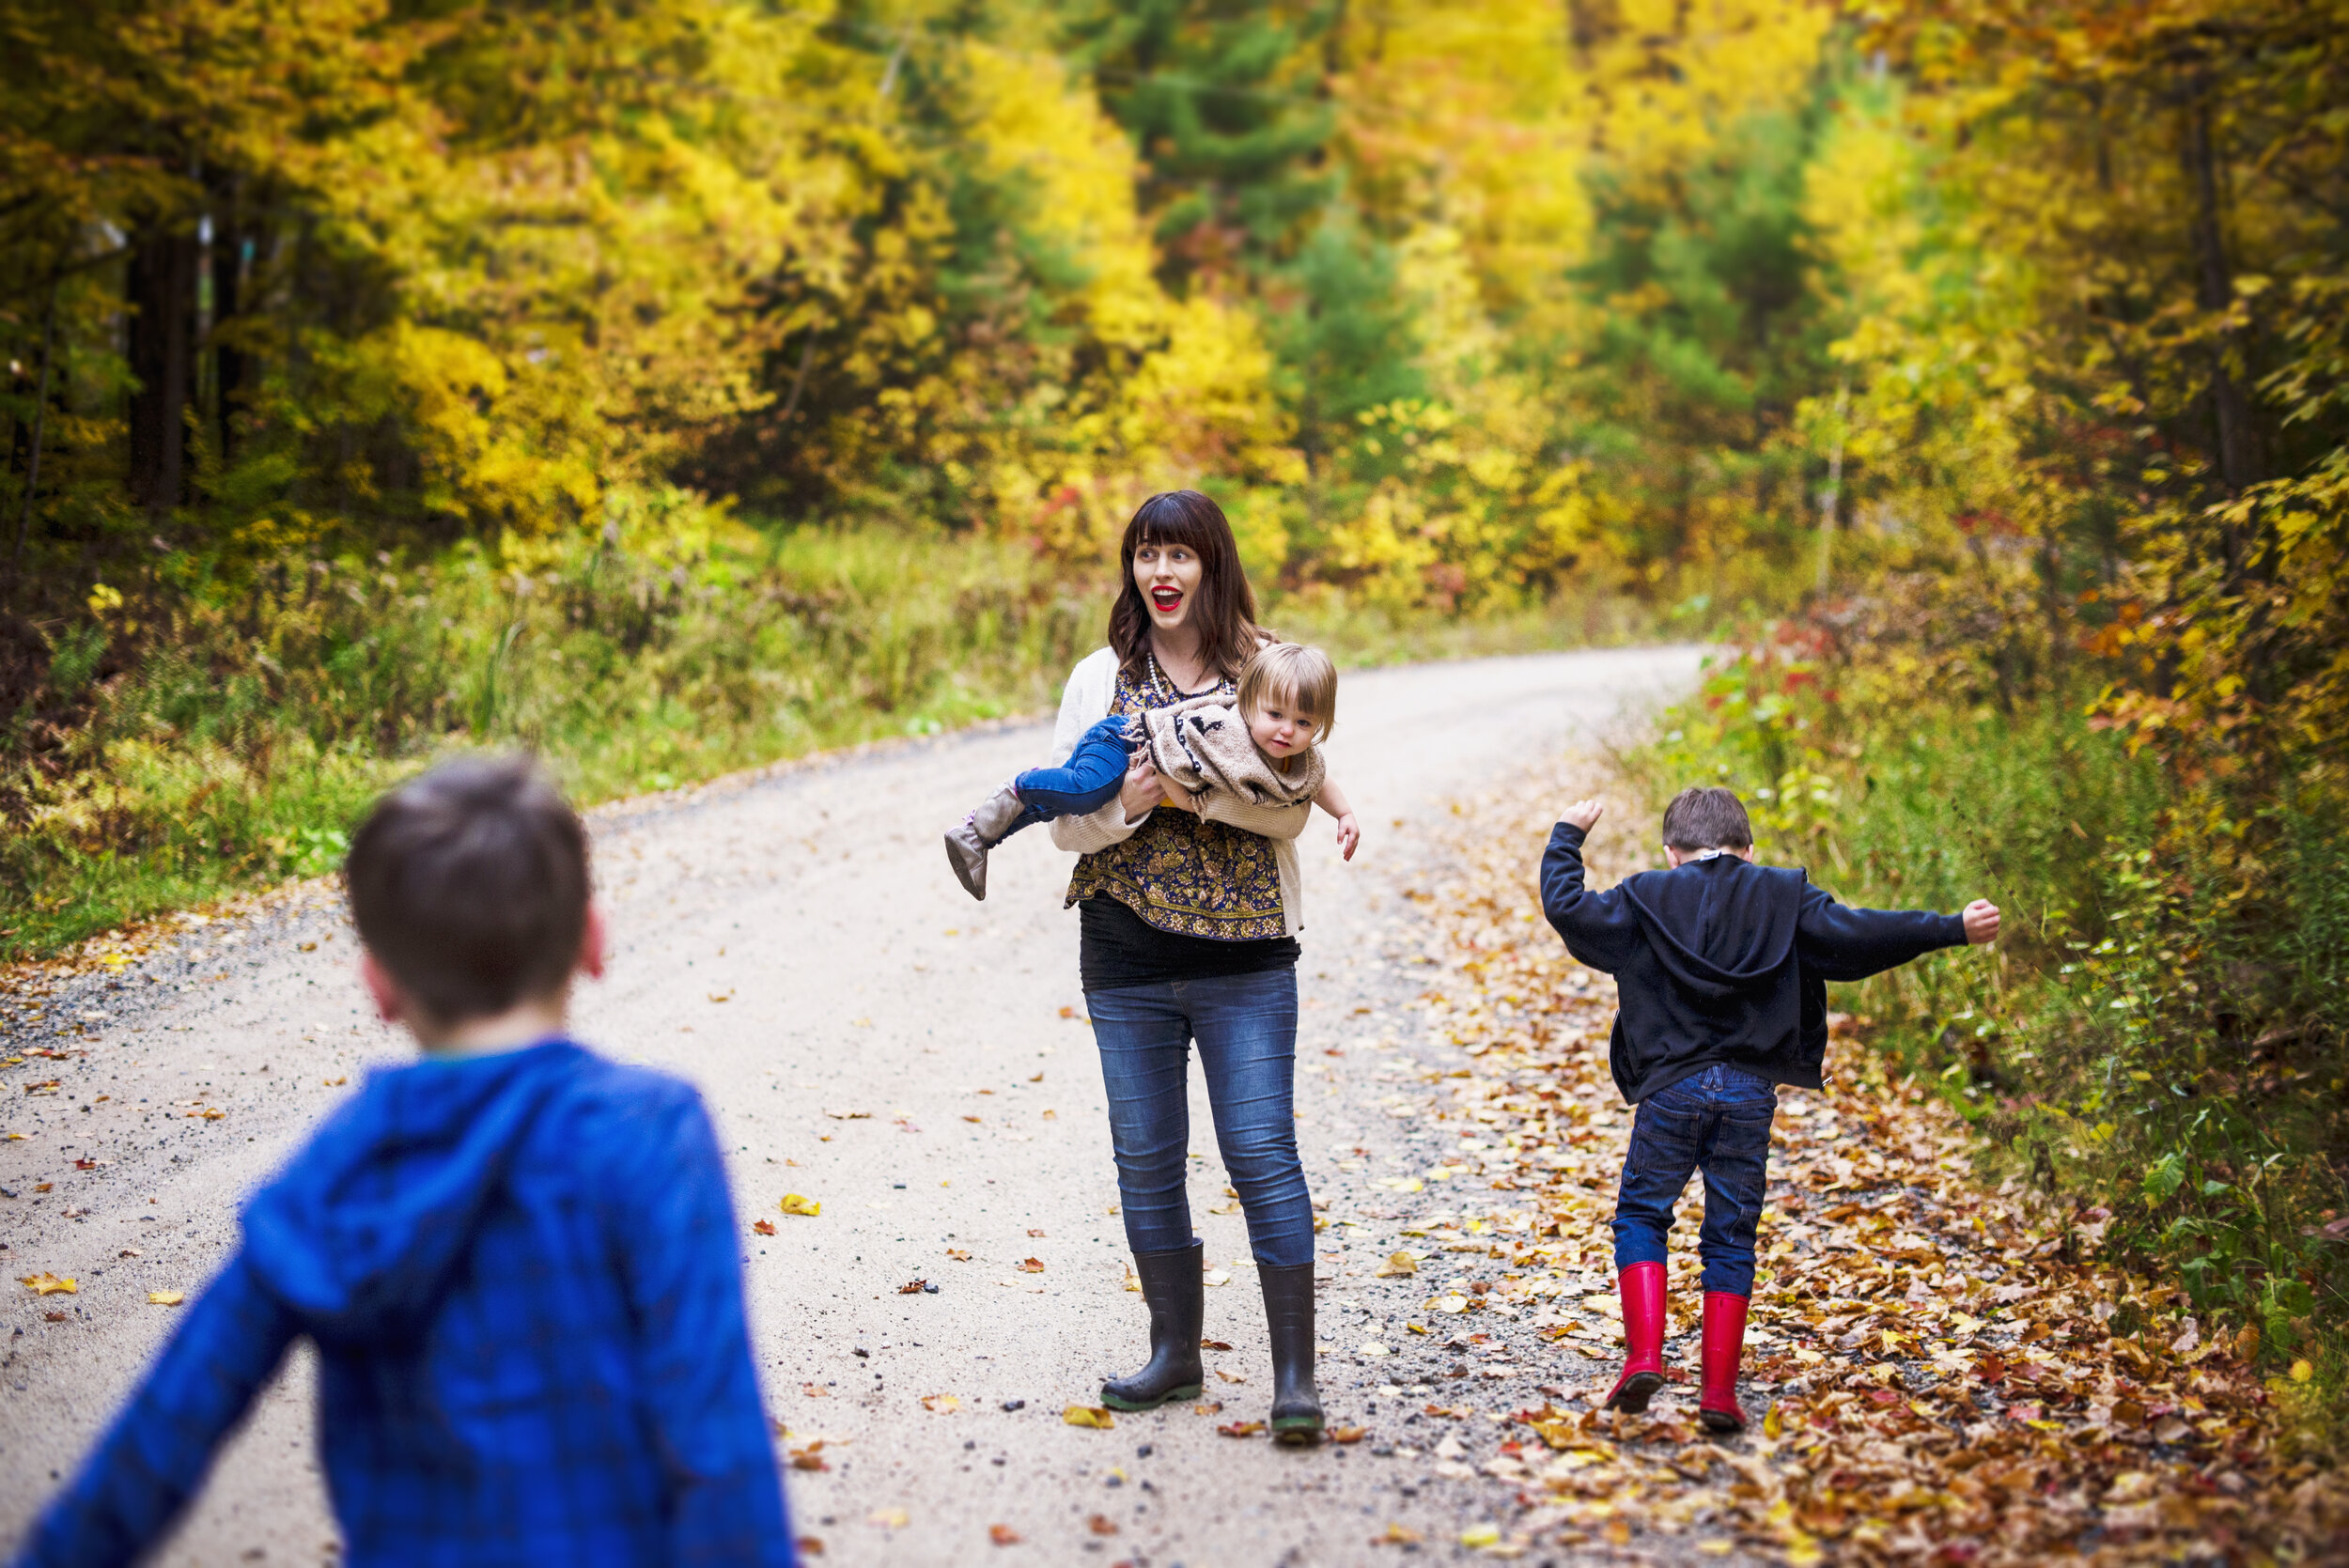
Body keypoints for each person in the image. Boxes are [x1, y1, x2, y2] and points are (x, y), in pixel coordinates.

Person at [15, 758, 792, 1567]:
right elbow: (720, 1446)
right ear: (592, 940)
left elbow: (162, 1436)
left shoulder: (335, 1173)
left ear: (379, 984)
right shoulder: (650, 1135)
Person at [1540, 785, 1999, 1434]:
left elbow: (1569, 909)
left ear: (1672, 852)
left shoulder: (1643, 897)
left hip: (1672, 1087)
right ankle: (1719, 1393)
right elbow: (1861, 934)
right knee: (1731, 1233)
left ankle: (1645, 1356)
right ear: (1748, 850)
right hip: (1750, 1093)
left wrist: (1567, 834)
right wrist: (1949, 927)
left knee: (1642, 1213)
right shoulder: (1785, 896)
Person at [1045, 489, 1351, 1443]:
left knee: (1261, 1155)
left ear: (1211, 566)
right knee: (1146, 1162)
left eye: (1179, 555)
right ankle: (1175, 1354)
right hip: (1125, 955)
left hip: (1246, 959)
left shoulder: (1268, 669)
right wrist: (1132, 804)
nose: (1161, 573)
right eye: (1146, 554)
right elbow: (1063, 825)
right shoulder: (1099, 677)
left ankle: (1294, 1380)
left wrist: (1184, 796)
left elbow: (1293, 805)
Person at [944, 640, 1361, 900]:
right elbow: (1172, 778)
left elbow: (1317, 780)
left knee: (1061, 801)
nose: (1287, 731)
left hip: (1144, 754)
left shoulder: (1294, 753)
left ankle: (980, 834)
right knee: (1086, 790)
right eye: (1275, 714)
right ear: (1249, 704)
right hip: (1122, 740)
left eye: (1304, 723)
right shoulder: (1224, 732)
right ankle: (1019, 786)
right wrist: (1189, 801)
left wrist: (1343, 814)